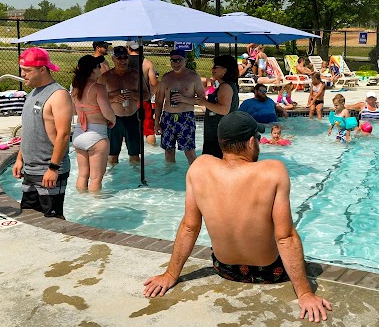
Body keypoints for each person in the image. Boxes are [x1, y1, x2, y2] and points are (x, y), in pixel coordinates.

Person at [143, 111, 333, 322]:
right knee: (294, 238)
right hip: (271, 272)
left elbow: (190, 227)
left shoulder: (199, 168)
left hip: (225, 269)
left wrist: (170, 275)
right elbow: (285, 237)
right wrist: (305, 293)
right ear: (251, 142)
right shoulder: (273, 171)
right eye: (257, 139)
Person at [13, 47, 73, 218]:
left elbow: (63, 134)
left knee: (53, 220)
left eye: (27, 70)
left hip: (49, 170)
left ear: (42, 70)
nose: (23, 74)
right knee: (29, 217)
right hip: (30, 170)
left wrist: (53, 168)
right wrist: (20, 159)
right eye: (22, 69)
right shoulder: (32, 93)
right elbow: (29, 130)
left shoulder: (58, 95)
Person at [70, 55, 116, 192]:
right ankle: (95, 204)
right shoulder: (98, 88)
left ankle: (81, 201)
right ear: (93, 69)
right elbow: (107, 111)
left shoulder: (75, 88)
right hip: (96, 135)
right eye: (98, 66)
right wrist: (113, 120)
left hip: (79, 134)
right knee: (96, 178)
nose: (100, 69)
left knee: (82, 175)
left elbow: (74, 110)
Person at [99, 46, 148, 164]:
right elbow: (97, 99)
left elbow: (147, 95)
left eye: (125, 57)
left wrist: (134, 95)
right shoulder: (105, 77)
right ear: (113, 59)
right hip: (114, 119)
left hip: (132, 118)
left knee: (135, 156)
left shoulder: (136, 75)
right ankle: (114, 176)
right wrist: (113, 98)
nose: (123, 60)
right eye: (119, 58)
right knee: (112, 156)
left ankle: (134, 175)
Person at [156, 49, 205, 164]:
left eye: (178, 60)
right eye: (173, 61)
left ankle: (195, 174)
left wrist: (184, 99)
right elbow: (159, 101)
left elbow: (202, 100)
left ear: (185, 60)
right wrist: (156, 123)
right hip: (168, 117)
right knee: (168, 151)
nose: (175, 63)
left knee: (189, 151)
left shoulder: (193, 77)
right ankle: (170, 174)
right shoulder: (166, 78)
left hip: (186, 117)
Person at [196, 54, 239, 158]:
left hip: (219, 135)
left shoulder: (225, 87)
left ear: (225, 70)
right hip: (219, 134)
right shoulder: (226, 85)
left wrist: (205, 103)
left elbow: (224, 110)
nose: (212, 69)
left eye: (216, 67)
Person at [126, 41, 159, 145]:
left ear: (128, 48)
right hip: (142, 98)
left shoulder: (122, 62)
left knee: (126, 128)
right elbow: (154, 83)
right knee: (148, 129)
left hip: (127, 99)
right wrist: (150, 95)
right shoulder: (146, 62)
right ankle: (153, 149)